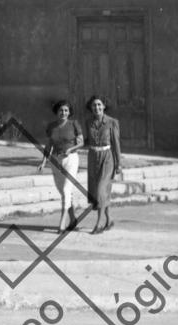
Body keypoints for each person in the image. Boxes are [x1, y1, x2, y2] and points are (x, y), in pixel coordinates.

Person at [39, 99, 83, 231]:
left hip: (71, 159)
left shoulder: (74, 124)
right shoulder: (51, 127)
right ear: (56, 112)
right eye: (61, 110)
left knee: (66, 190)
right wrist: (43, 162)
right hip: (56, 161)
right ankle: (73, 219)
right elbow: (49, 145)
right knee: (63, 191)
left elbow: (81, 143)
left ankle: (62, 222)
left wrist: (70, 149)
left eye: (66, 110)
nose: (63, 113)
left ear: (69, 112)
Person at [84, 94, 123, 234]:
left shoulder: (112, 122)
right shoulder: (88, 122)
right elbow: (87, 141)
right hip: (93, 158)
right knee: (99, 192)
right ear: (91, 107)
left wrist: (119, 164)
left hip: (107, 158)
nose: (97, 107)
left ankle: (99, 224)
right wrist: (71, 145)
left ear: (104, 106)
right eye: (94, 105)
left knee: (101, 190)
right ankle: (109, 220)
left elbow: (116, 144)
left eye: (99, 105)